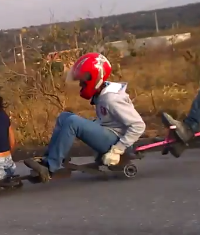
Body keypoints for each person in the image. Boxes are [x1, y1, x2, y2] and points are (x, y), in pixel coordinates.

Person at [24, 52, 147, 181]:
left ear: (94, 78)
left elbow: (138, 125)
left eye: (82, 81)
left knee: (72, 122)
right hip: (110, 134)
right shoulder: (102, 92)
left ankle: (50, 167)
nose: (80, 85)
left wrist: (117, 151)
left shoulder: (111, 99)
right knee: (64, 117)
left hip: (117, 143)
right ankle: (50, 158)